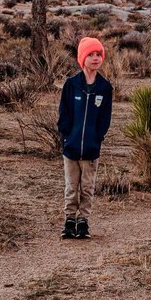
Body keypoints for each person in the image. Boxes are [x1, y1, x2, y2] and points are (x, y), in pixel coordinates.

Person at [57, 36, 112, 240]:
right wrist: (66, 137)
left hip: (91, 149)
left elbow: (105, 118)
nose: (96, 58)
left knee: (87, 188)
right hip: (71, 148)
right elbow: (64, 114)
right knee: (71, 187)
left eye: (99, 54)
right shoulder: (71, 85)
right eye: (91, 54)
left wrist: (97, 138)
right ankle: (69, 221)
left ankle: (83, 222)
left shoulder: (105, 88)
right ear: (82, 58)